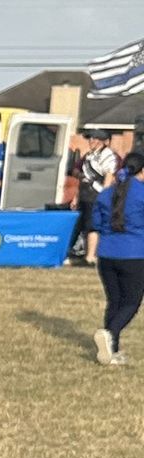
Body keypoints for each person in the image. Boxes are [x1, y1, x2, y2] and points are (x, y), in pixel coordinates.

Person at [92, 149, 144, 366]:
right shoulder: (141, 193)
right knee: (132, 301)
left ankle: (110, 351)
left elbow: (95, 224)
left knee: (114, 301)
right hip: (134, 253)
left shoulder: (105, 194)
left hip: (106, 254)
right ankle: (110, 333)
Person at [79, 131, 120, 266]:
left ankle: (91, 257)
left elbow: (109, 177)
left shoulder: (107, 156)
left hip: (96, 195)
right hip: (85, 194)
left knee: (93, 226)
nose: (91, 141)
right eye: (90, 138)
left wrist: (105, 196)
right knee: (85, 226)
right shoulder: (89, 155)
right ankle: (87, 254)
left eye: (95, 139)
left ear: (104, 141)